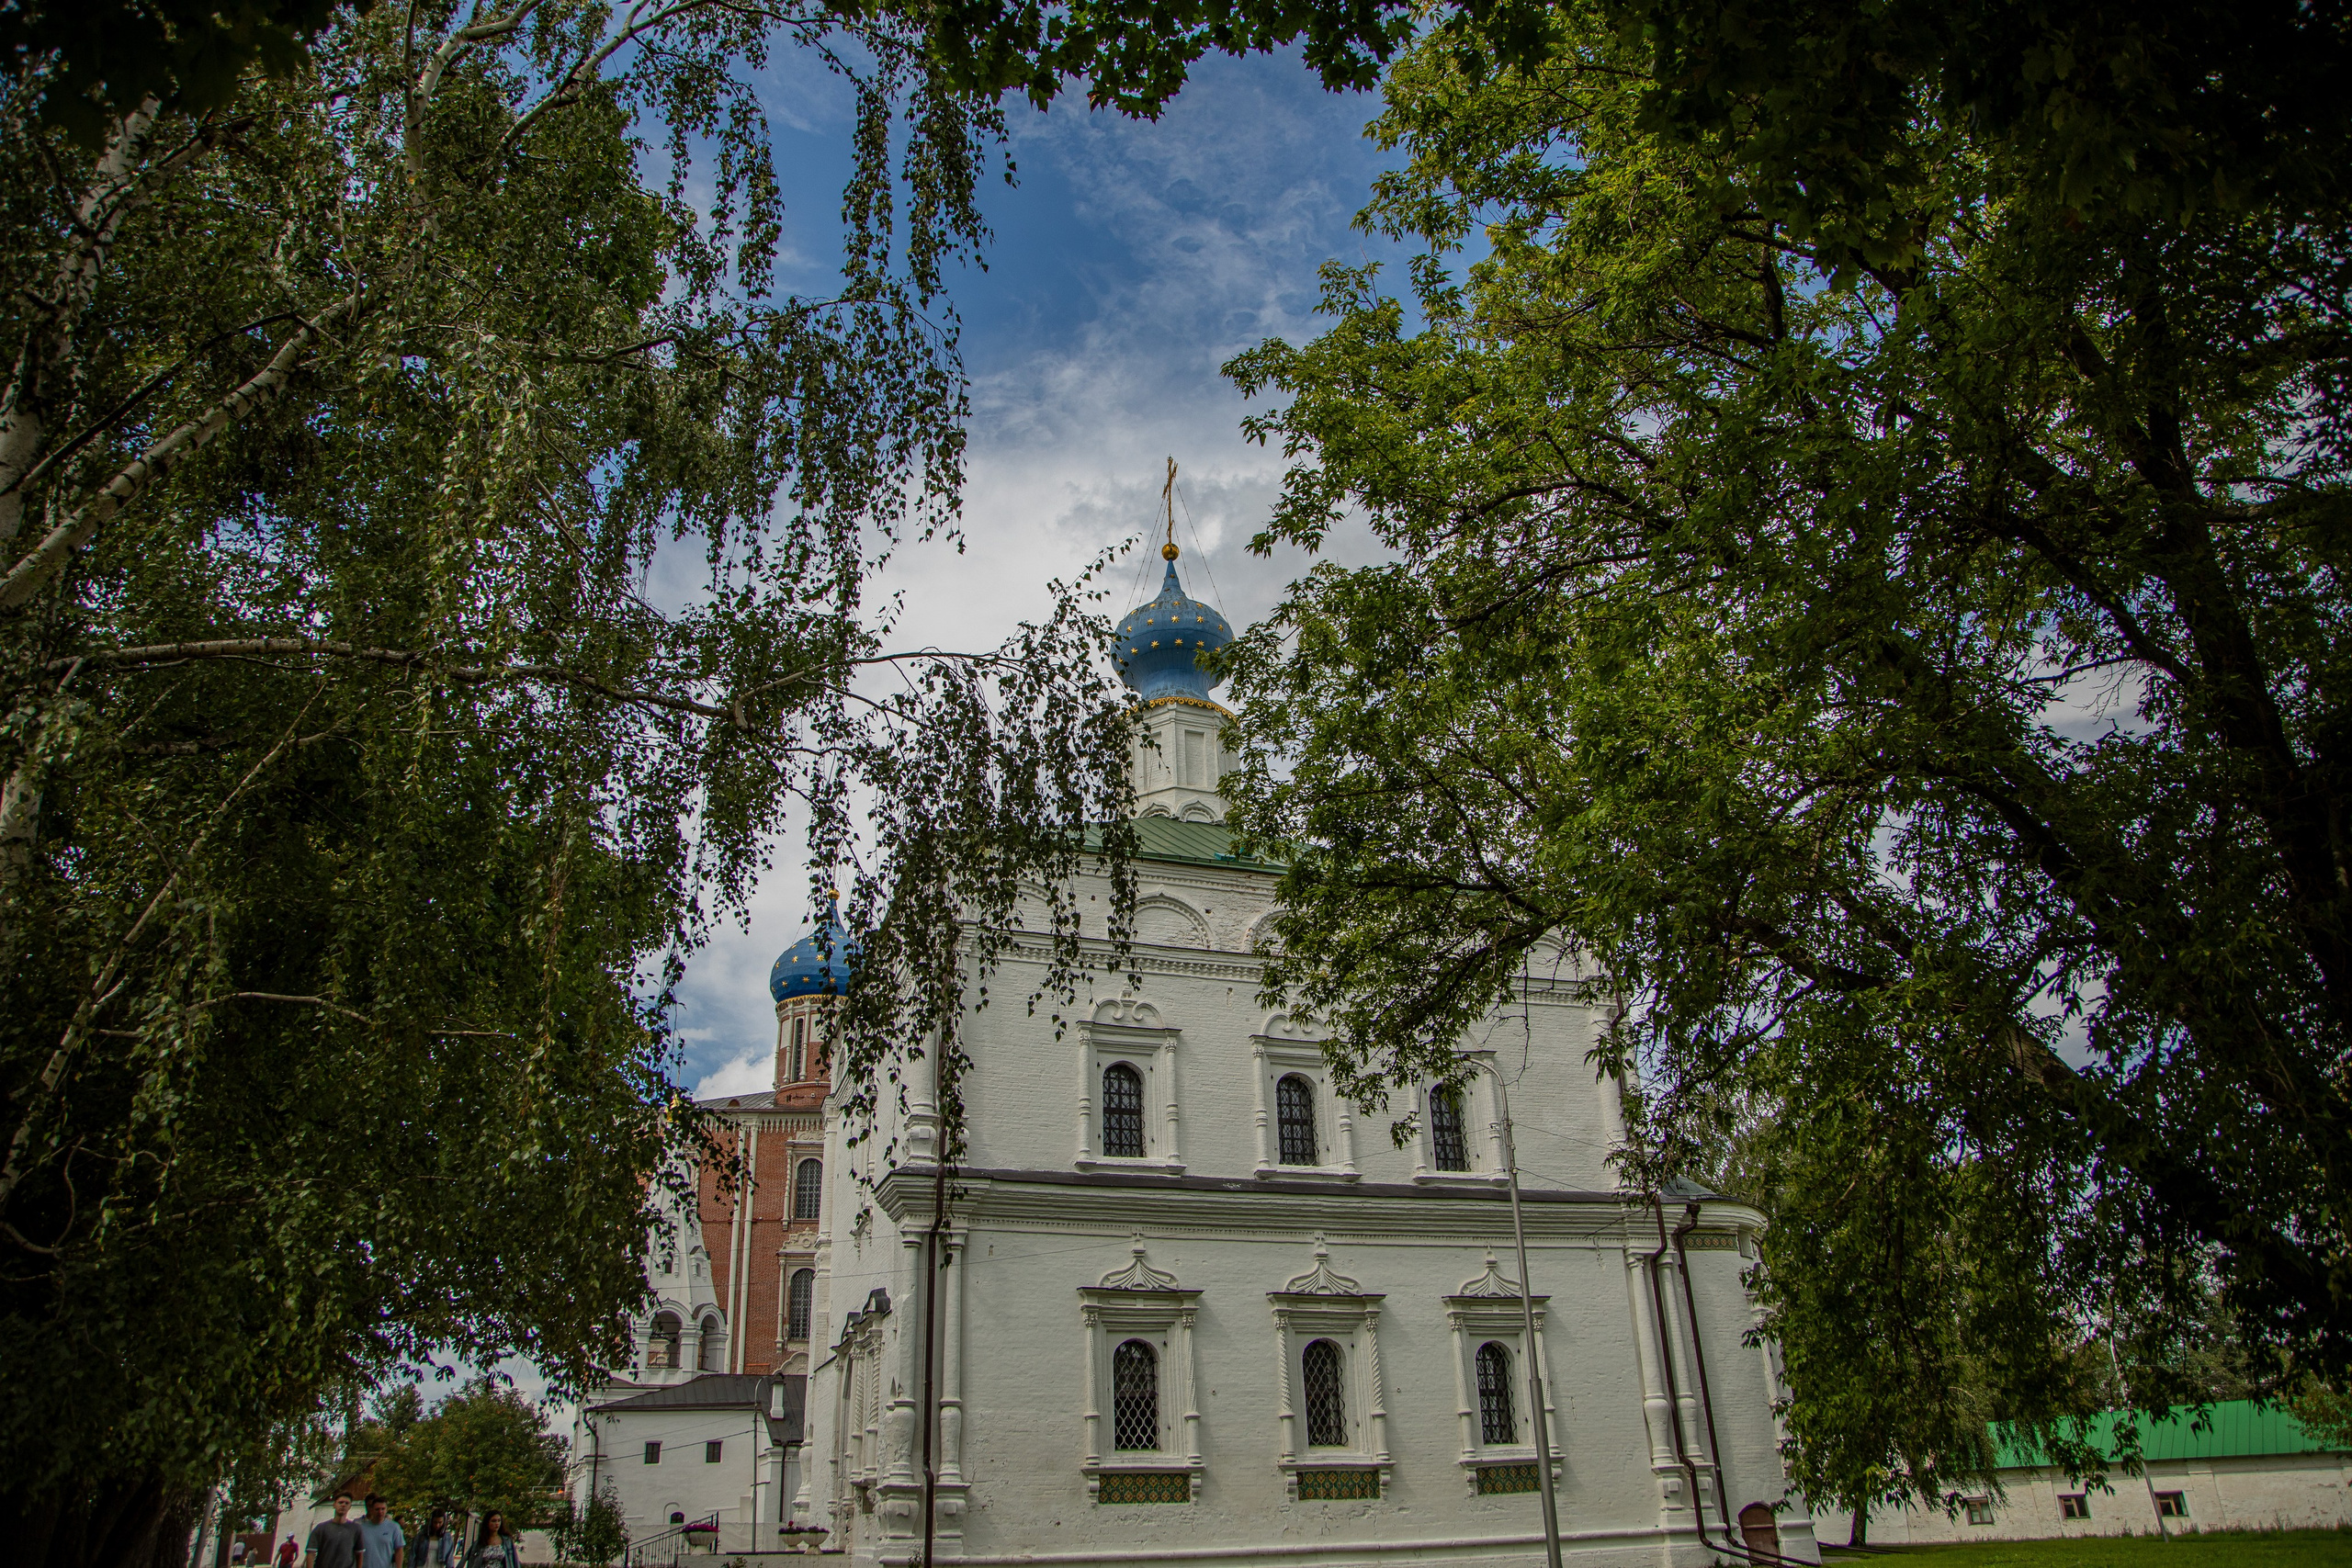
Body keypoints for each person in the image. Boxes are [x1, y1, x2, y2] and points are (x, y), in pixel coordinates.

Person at [302, 1494, 366, 1568]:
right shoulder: (321, 1528)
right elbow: (311, 1553)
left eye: (347, 1503)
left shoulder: (356, 1529)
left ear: (350, 1507)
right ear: (334, 1505)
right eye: (340, 1502)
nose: (343, 1505)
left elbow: (359, 1554)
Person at [354, 1495, 406, 1568]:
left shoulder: (394, 1527)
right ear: (372, 1510)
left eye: (383, 1509)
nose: (380, 1512)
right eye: (377, 1509)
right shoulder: (362, 1528)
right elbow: (357, 1552)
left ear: (386, 1510)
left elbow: (399, 1550)